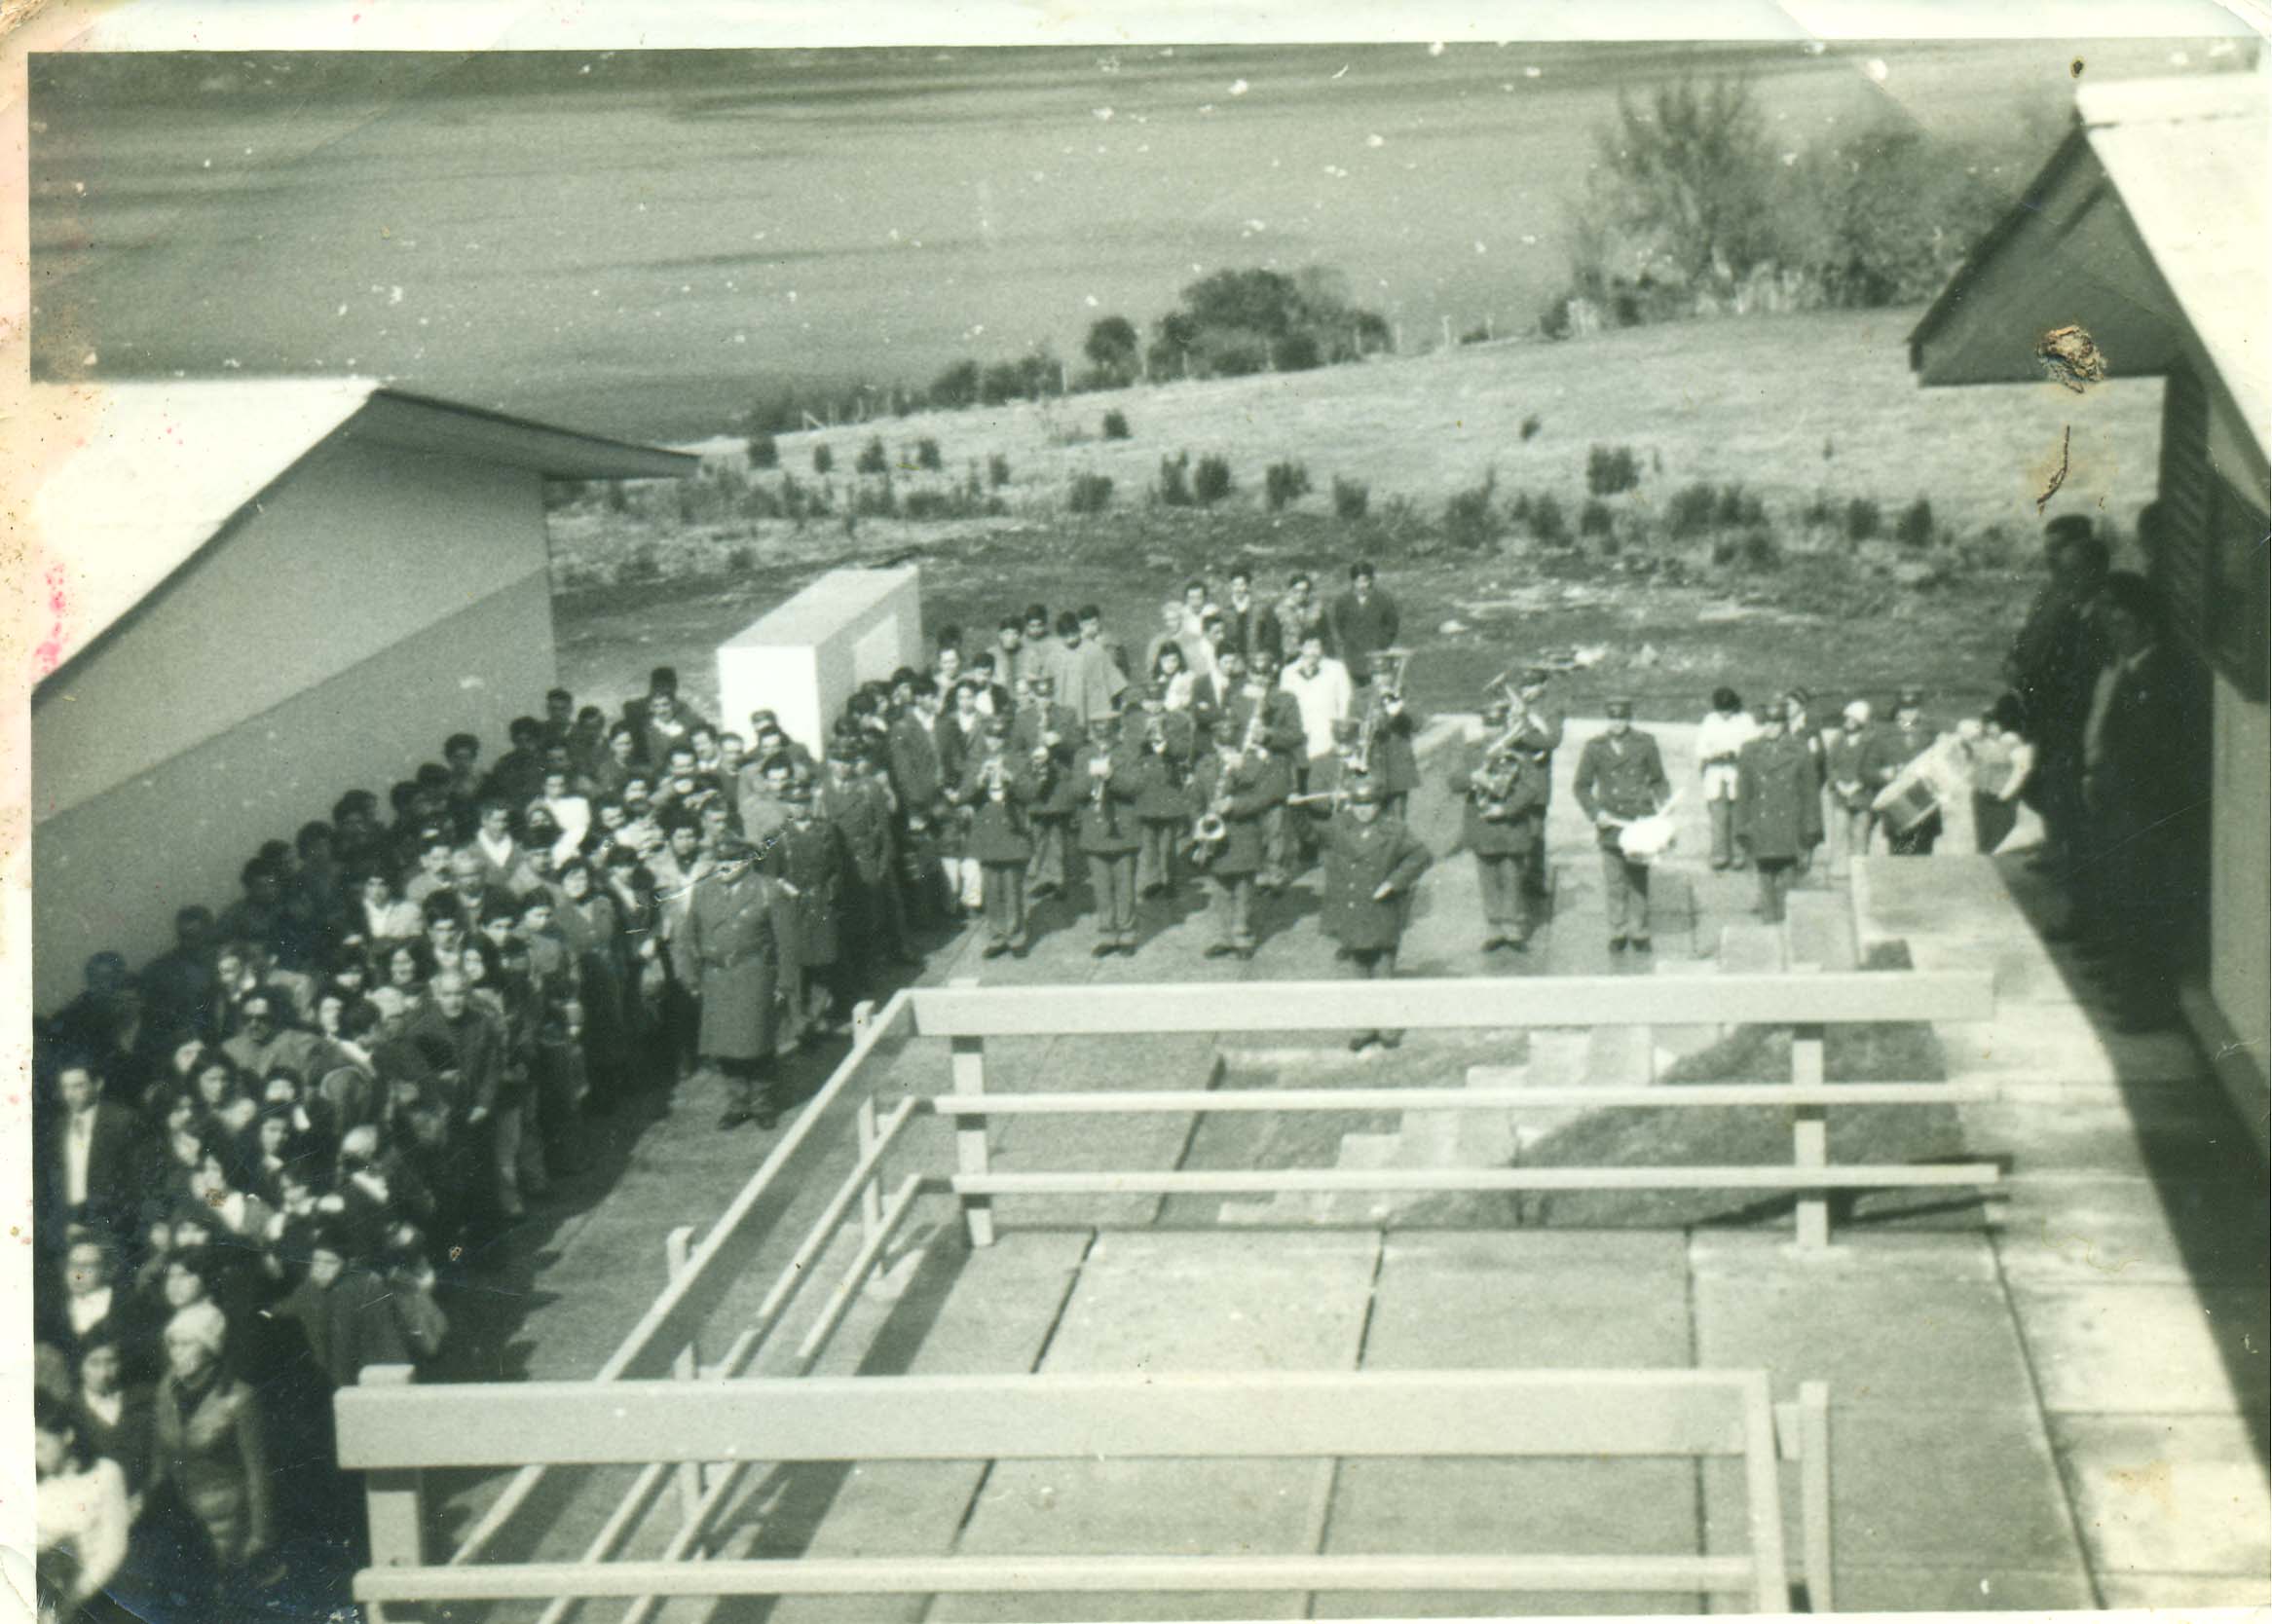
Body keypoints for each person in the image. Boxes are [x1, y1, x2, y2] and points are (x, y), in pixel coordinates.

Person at [2081, 572, 2198, 1031]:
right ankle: (2132, 992)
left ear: (2147, 626)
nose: (2116, 634)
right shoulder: (2131, 672)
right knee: (2127, 903)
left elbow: (2152, 753)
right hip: (2124, 811)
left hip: (2149, 816)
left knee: (2147, 908)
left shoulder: (2160, 677)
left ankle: (2145, 1006)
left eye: (2124, 625)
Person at [150, 1302, 276, 1604]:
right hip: (179, 1525)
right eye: (173, 1344)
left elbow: (258, 1472)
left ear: (209, 1348)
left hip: (227, 1526)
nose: (176, 1352)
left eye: (186, 1344)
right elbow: (159, 1462)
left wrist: (260, 1536)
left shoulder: (239, 1398)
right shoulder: (165, 1391)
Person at [674, 836, 787, 1129]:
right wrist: (690, 976)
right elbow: (686, 938)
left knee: (757, 1042)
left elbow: (786, 943)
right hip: (716, 978)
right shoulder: (702, 891)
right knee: (724, 1045)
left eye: (732, 862)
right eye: (720, 862)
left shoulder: (767, 890)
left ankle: (762, 1102)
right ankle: (738, 1102)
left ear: (748, 861)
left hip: (754, 974)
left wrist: (785, 983)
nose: (724, 868)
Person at [1320, 779, 1434, 1052]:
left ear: (1378, 805)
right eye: (1357, 804)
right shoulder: (1339, 825)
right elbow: (1311, 833)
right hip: (1351, 908)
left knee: (1382, 971)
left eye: (1369, 805)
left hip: (1381, 910)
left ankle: (1387, 1026)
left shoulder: (1393, 830)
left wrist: (1394, 883)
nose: (1362, 811)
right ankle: (1364, 1026)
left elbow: (1421, 856)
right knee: (1358, 971)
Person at [1573, 699, 1672, 953]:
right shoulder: (1595, 747)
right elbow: (1581, 786)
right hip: (1610, 822)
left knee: (1638, 878)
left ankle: (1638, 930)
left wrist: (1664, 806)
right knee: (1614, 880)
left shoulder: (1645, 743)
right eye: (1613, 718)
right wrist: (1595, 812)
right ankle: (1617, 930)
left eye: (1622, 718)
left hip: (1638, 821)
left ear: (1629, 718)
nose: (1618, 723)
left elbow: (1659, 779)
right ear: (1608, 719)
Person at [1451, 699, 1550, 952]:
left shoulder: (1520, 752)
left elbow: (1531, 788)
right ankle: (1494, 929)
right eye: (1488, 725)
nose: (1492, 731)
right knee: (1488, 879)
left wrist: (1505, 809)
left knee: (1512, 878)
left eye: (1496, 725)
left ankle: (1513, 930)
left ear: (1505, 725)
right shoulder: (1473, 751)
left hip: (1510, 826)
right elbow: (1453, 780)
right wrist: (1474, 776)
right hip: (1482, 825)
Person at [1189, 718, 1288, 959]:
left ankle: (1242, 935)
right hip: (1215, 837)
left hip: (1243, 834)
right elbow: (1195, 799)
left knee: (1244, 888)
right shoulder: (1204, 764)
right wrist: (1199, 825)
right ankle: (1225, 936)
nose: (1225, 749)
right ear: (1213, 741)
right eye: (1220, 743)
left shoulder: (1251, 762)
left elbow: (1263, 797)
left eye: (1230, 742)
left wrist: (1234, 803)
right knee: (1221, 888)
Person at [36, 1393, 133, 1624]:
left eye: (40, 1445)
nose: (35, 1456)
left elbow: (113, 1549)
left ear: (67, 1436)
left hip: (96, 1599)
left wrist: (70, 1600)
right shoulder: (37, 1487)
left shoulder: (106, 1474)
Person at [1734, 698, 1823, 925]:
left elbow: (1810, 793)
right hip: (1761, 825)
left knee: (1787, 881)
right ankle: (1769, 927)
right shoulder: (1749, 751)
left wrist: (1812, 828)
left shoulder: (1800, 750)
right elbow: (1743, 793)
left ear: (1784, 724)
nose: (1769, 728)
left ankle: (1786, 928)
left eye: (1775, 723)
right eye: (1765, 723)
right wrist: (1741, 826)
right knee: (1764, 879)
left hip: (1789, 824)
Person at [961, 716, 1041, 957]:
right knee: (991, 888)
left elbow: (1031, 793)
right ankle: (996, 935)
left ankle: (1016, 936)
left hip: (1011, 830)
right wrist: (978, 781)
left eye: (1000, 736)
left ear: (1006, 738)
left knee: (1012, 887)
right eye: (990, 736)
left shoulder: (1017, 760)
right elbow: (963, 795)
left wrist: (1011, 778)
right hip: (987, 832)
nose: (994, 741)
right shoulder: (976, 761)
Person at [1072, 711, 1144, 956]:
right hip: (1095, 829)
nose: (1102, 736)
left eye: (1108, 730)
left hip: (1123, 828)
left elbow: (1136, 786)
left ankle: (1127, 933)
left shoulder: (1128, 752)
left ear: (1115, 730)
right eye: (1097, 730)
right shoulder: (1083, 754)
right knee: (1102, 887)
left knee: (1125, 886)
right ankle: (1107, 933)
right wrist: (1090, 778)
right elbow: (1076, 791)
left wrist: (1112, 776)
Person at [1508, 668, 1567, 904]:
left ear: (1543, 685)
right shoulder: (1516, 706)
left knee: (1535, 833)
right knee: (1513, 829)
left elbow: (1552, 740)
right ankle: (1516, 879)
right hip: (1514, 777)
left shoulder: (1552, 708)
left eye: (1531, 685)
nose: (1526, 691)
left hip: (1537, 779)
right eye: (1523, 686)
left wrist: (1521, 731)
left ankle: (1535, 879)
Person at [1864, 687, 1943, 856]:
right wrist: (1886, 773)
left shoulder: (1931, 735)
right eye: (1905, 710)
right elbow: (1867, 771)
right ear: (1898, 712)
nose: (1909, 716)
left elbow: (1942, 768)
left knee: (1924, 860)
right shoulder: (1881, 736)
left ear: (1919, 710)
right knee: (1899, 861)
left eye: (1913, 710)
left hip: (1925, 808)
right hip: (1898, 810)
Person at [1964, 694, 2037, 856]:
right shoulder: (1980, 743)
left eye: (1996, 725)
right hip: (1981, 795)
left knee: (2001, 841)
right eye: (1988, 725)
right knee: (1983, 840)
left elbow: (2020, 771)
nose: (1992, 729)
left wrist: (2006, 794)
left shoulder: (2013, 743)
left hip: (2002, 799)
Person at [1696, 686, 1759, 871]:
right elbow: (1700, 748)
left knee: (1739, 814)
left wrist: (1736, 754)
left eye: (1728, 710)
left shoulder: (1745, 720)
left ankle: (1739, 854)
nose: (1724, 714)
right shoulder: (1710, 720)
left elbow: (1753, 745)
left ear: (1734, 706)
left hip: (1738, 772)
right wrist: (1714, 755)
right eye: (1721, 710)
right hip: (1715, 773)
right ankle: (1719, 854)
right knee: (1718, 815)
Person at [1279, 632, 1355, 768]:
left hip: (1327, 731)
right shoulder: (1288, 672)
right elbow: (1285, 704)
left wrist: (1341, 730)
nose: (1313, 651)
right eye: (1308, 647)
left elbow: (1345, 699)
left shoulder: (1336, 669)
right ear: (1300, 648)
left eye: (1316, 646)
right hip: (1301, 731)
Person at [1824, 700, 1878, 877]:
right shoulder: (1838, 739)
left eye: (1853, 720)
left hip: (1862, 795)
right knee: (1839, 832)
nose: (1849, 723)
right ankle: (1839, 868)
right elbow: (1830, 765)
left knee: (1860, 833)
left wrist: (1858, 784)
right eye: (1847, 719)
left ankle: (1859, 869)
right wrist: (1837, 782)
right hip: (1840, 795)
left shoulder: (1870, 741)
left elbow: (1871, 766)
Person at [1324, 561, 1399, 686]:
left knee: (1378, 689)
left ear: (1371, 580)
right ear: (1353, 581)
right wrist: (1348, 639)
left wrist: (1383, 641)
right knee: (1356, 689)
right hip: (1354, 653)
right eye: (1358, 581)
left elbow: (1392, 625)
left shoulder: (1383, 599)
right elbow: (1339, 624)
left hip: (1377, 651)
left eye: (1366, 580)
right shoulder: (1343, 600)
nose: (1362, 585)